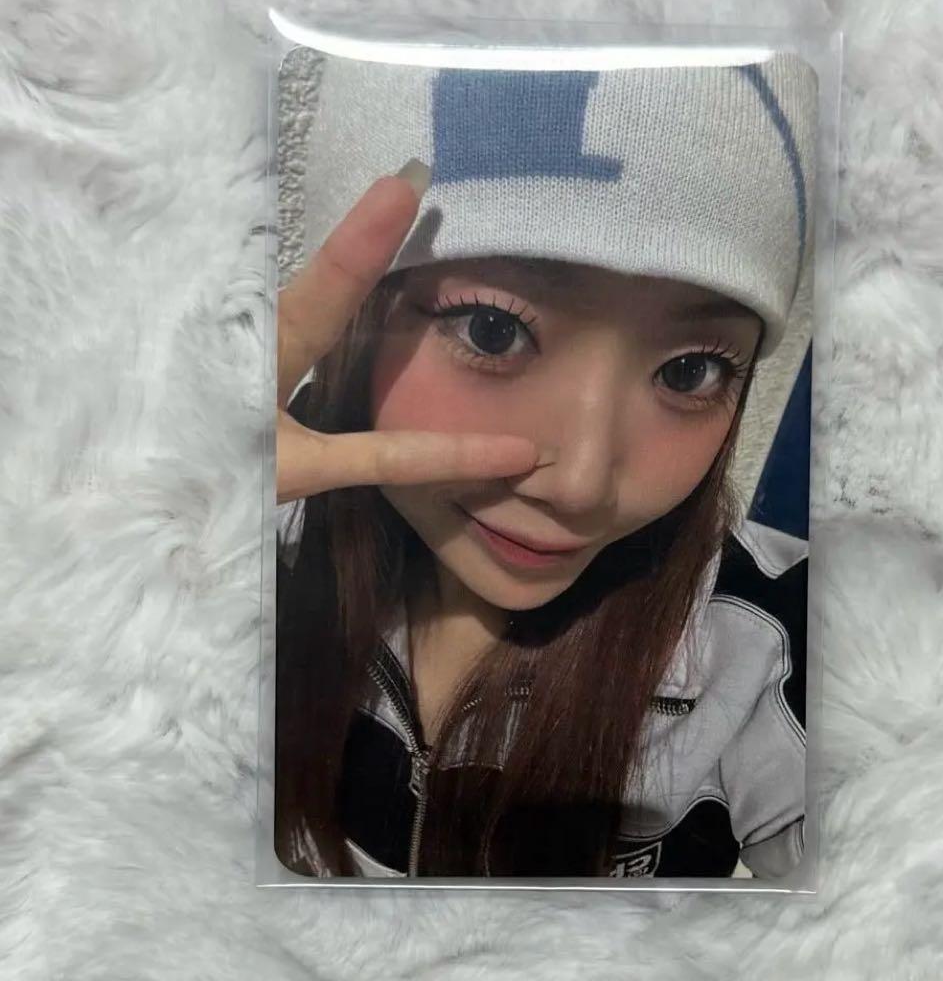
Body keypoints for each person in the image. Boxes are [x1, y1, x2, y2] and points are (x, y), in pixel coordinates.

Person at [275, 56, 817, 879]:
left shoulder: (767, 639)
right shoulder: (236, 548)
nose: (581, 485)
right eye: (491, 330)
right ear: (352, 321)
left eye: (690, 371)